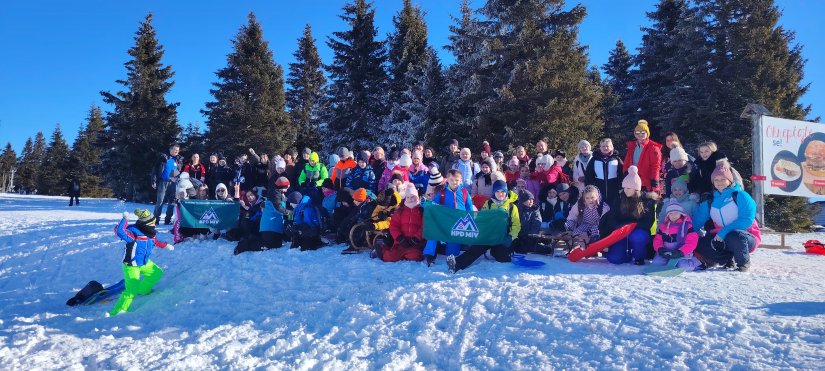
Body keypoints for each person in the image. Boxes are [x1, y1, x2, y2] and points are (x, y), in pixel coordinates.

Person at [690, 160, 761, 272]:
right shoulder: (710, 200)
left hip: (745, 236)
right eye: (716, 180)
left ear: (730, 180)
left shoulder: (741, 196)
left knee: (735, 236)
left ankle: (743, 263)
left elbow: (746, 220)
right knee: (700, 242)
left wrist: (724, 232)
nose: (720, 182)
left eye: (723, 179)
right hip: (720, 238)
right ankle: (727, 259)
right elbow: (698, 221)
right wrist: (683, 234)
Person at [109, 209, 174, 316]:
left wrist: (166, 245)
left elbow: (156, 241)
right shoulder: (134, 233)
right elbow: (119, 231)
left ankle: (143, 290)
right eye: (153, 222)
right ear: (147, 224)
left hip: (144, 262)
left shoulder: (151, 233)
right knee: (131, 291)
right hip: (132, 265)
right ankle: (117, 312)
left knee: (156, 273)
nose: (154, 224)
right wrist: (125, 219)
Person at [447, 180, 520, 273]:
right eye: (497, 191)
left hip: (503, 237)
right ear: (494, 192)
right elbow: (483, 219)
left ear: (506, 192)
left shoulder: (512, 207)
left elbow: (516, 225)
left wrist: (511, 237)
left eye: (502, 191)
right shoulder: (488, 204)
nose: (500, 194)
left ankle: (495, 251)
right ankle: (456, 264)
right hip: (489, 235)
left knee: (502, 258)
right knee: (476, 249)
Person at [600, 166, 658, 265]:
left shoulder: (647, 201)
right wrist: (620, 227)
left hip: (639, 232)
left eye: (628, 188)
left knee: (637, 237)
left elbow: (648, 222)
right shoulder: (619, 199)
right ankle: (626, 255)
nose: (625, 190)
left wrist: (632, 227)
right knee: (614, 259)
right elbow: (611, 218)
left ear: (636, 189)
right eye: (624, 188)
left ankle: (639, 257)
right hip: (621, 232)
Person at [422, 169, 474, 266]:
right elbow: (434, 205)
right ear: (448, 180)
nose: (454, 182)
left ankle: (443, 247)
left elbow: (469, 208)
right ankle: (430, 255)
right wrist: (426, 204)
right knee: (434, 234)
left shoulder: (464, 192)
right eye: (452, 179)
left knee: (453, 252)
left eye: (456, 180)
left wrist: (471, 219)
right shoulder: (442, 193)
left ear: (460, 180)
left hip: (459, 224)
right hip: (445, 222)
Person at [651, 203, 701, 271]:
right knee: (656, 263)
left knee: (683, 267)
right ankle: (669, 264)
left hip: (681, 253)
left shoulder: (687, 226)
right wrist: (660, 249)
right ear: (668, 215)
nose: (673, 215)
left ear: (681, 214)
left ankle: (695, 264)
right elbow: (657, 240)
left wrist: (681, 252)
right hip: (666, 252)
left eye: (676, 213)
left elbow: (691, 242)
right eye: (671, 213)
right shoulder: (663, 227)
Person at [383, 184, 425, 262]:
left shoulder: (421, 211)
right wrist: (400, 238)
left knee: (414, 256)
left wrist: (416, 238)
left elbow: (424, 226)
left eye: (413, 197)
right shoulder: (400, 211)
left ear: (417, 197)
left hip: (415, 242)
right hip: (402, 241)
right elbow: (393, 226)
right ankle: (381, 249)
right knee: (390, 257)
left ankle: (405, 254)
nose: (410, 199)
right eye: (408, 197)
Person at [622, 120, 662, 192]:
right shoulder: (632, 146)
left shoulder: (653, 147)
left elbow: (655, 166)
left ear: (647, 133)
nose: (640, 134)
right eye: (637, 132)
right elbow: (627, 162)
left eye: (643, 132)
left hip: (646, 182)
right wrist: (625, 172)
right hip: (633, 181)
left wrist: (655, 179)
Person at [585, 138, 624, 206]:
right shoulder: (594, 159)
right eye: (603, 146)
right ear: (600, 147)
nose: (605, 148)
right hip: (598, 190)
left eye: (607, 146)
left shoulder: (616, 159)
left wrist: (621, 187)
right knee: (601, 209)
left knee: (614, 209)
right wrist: (589, 188)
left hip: (614, 190)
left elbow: (622, 173)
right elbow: (589, 175)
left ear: (612, 147)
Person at [152, 144, 182, 225]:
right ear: (170, 149)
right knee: (160, 201)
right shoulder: (163, 158)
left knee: (172, 202)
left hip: (173, 183)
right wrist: (154, 180)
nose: (177, 151)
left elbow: (179, 171)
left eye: (178, 150)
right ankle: (156, 219)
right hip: (163, 182)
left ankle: (168, 220)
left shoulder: (178, 159)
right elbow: (155, 169)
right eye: (175, 150)